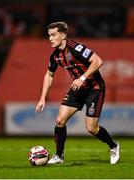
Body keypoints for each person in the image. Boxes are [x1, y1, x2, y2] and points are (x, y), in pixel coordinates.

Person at [36, 21, 120, 165]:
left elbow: (98, 61)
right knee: (60, 121)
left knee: (91, 128)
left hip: (95, 89)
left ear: (63, 35)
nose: (50, 38)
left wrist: (82, 78)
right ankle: (59, 156)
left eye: (54, 35)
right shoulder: (55, 56)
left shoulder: (76, 48)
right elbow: (49, 75)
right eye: (49, 35)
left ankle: (113, 146)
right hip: (78, 89)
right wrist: (42, 98)